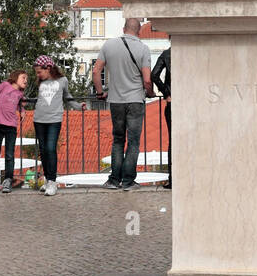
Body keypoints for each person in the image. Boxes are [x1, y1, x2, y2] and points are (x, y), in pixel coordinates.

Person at [92, 18, 153, 190]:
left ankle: (113, 180)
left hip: (115, 100)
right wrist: (149, 92)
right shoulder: (143, 49)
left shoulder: (109, 45)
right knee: (133, 142)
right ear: (139, 31)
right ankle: (128, 181)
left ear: (123, 28)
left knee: (118, 140)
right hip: (135, 100)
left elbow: (96, 71)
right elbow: (147, 80)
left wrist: (99, 92)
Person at [31, 56, 86, 196]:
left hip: (54, 119)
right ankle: (47, 179)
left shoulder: (62, 81)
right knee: (43, 150)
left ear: (48, 68)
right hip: (39, 119)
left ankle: (52, 181)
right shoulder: (40, 82)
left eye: (39, 72)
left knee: (50, 148)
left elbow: (67, 97)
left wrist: (79, 106)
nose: (38, 75)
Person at [151, 46, 171, 189]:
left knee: (173, 141)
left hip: (172, 101)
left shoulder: (167, 54)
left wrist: (166, 92)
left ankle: (172, 178)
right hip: (189, 101)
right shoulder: (190, 49)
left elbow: (154, 75)